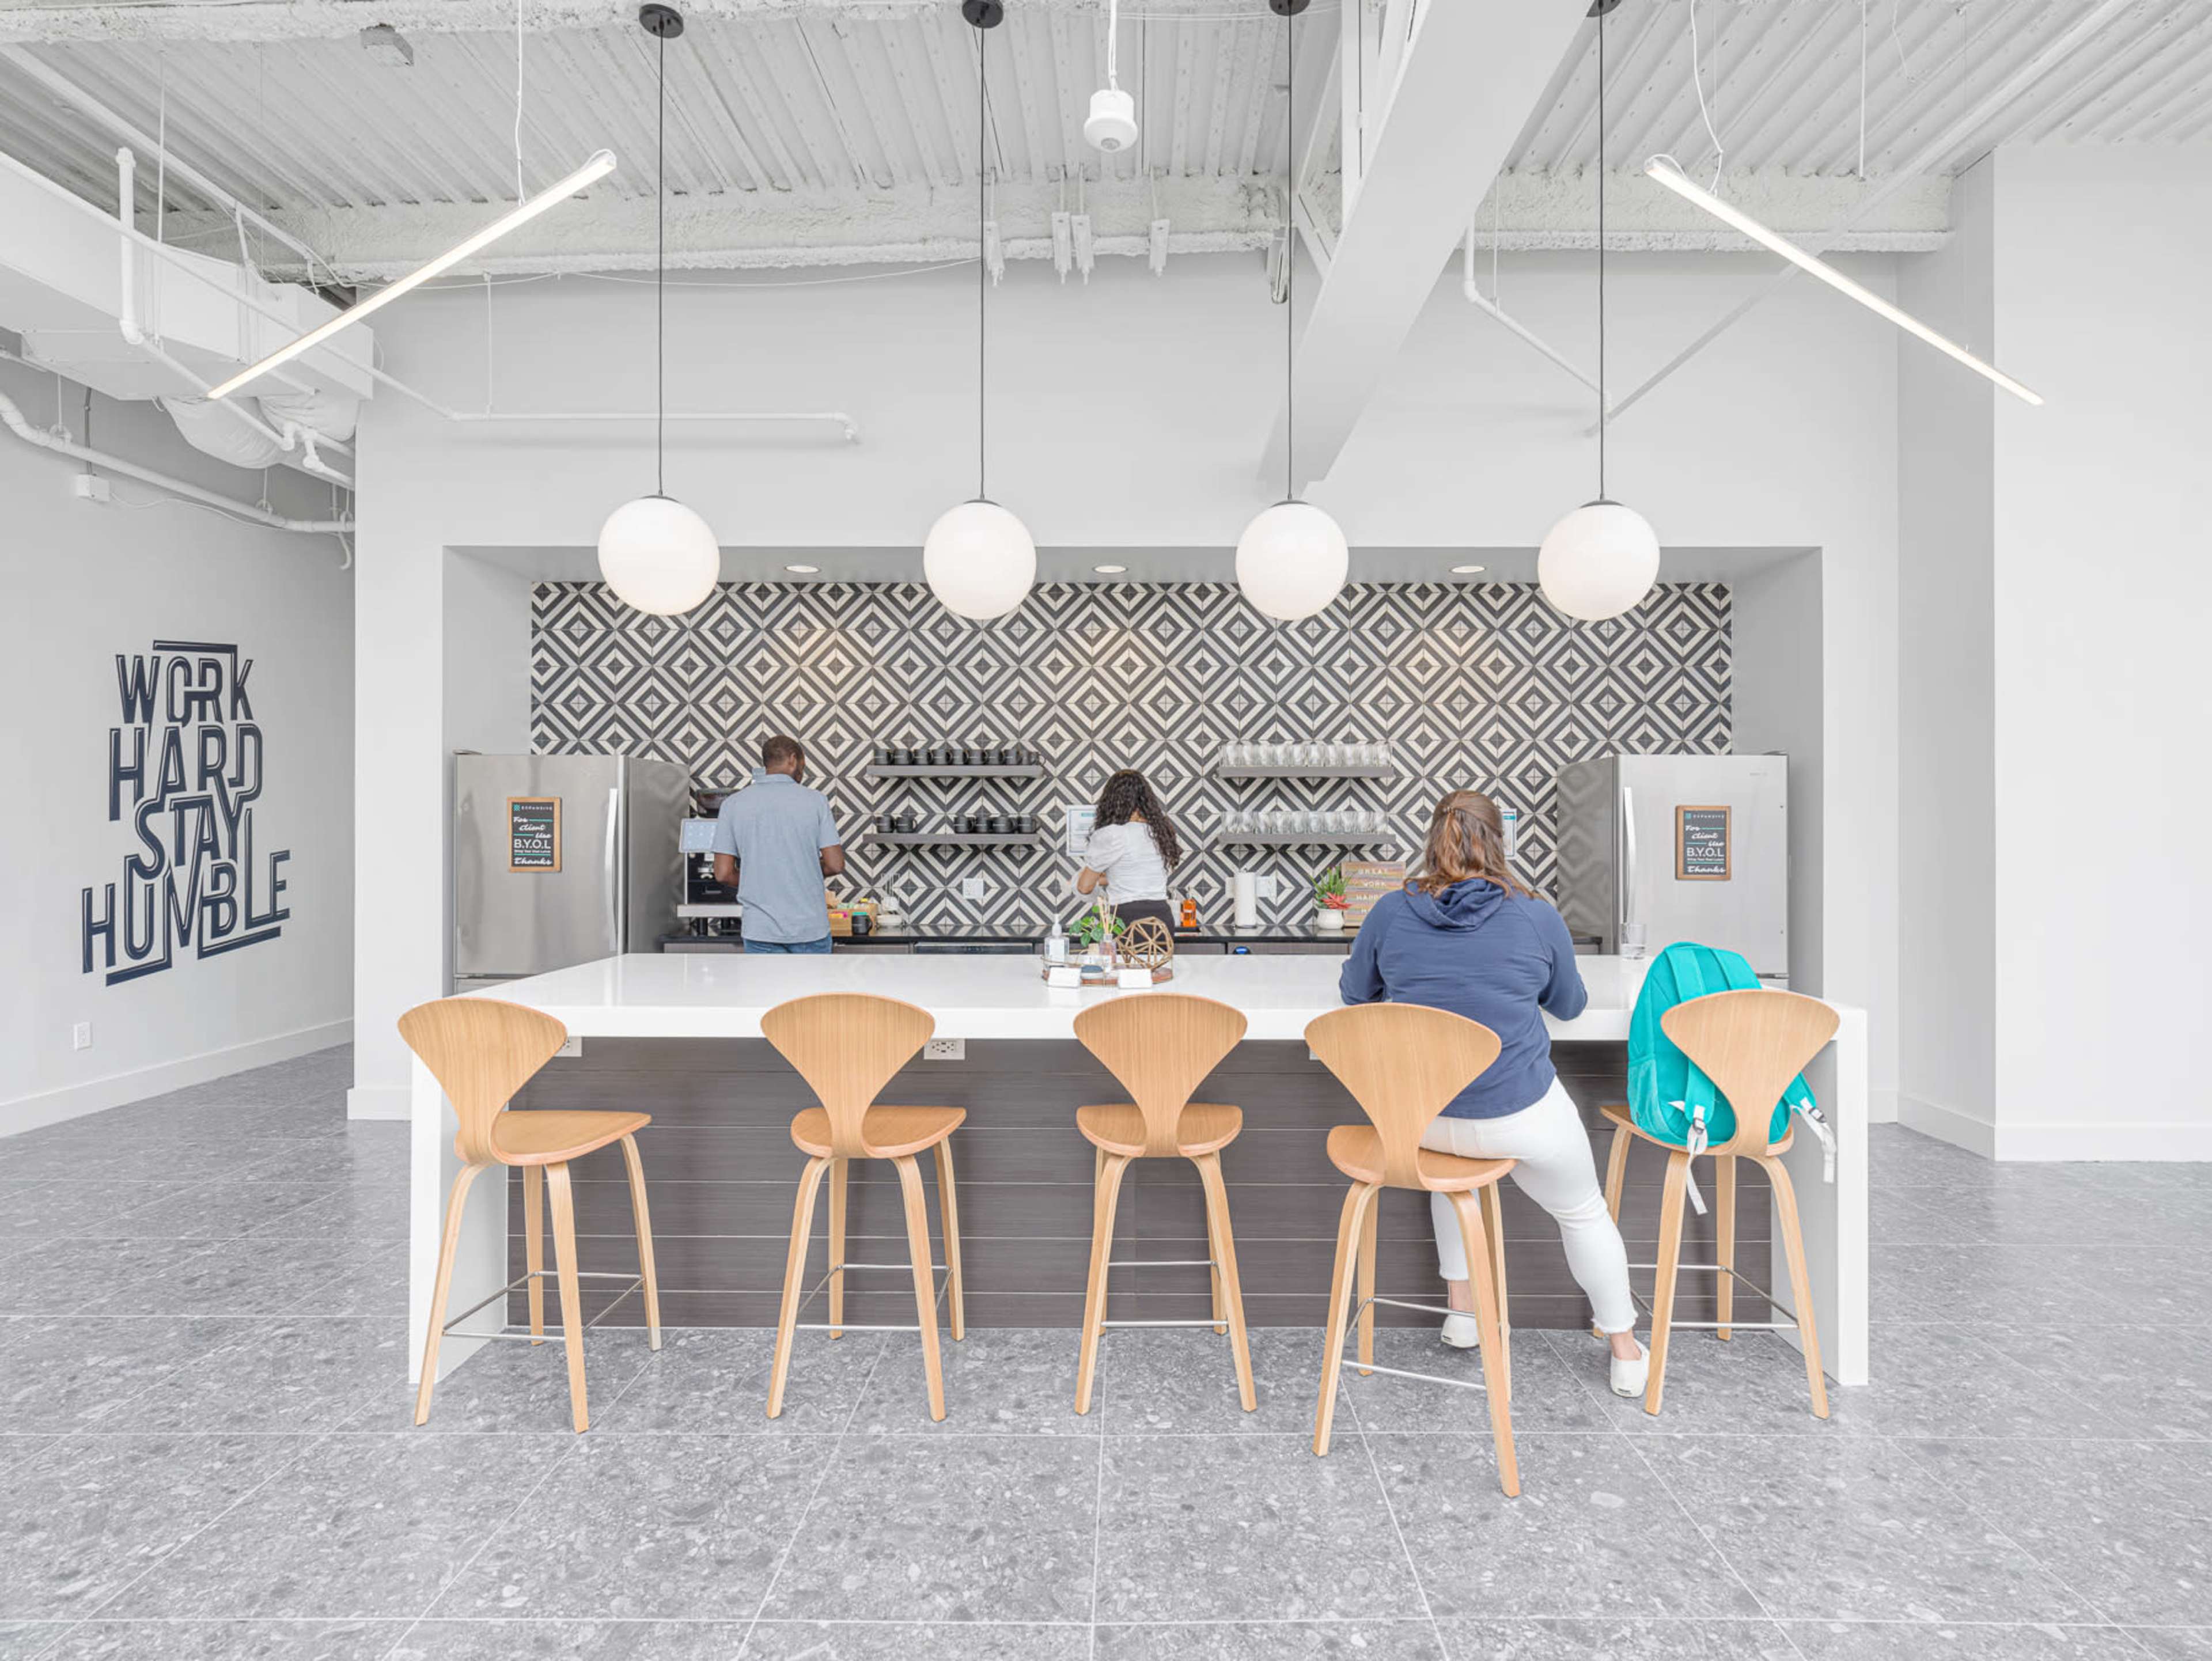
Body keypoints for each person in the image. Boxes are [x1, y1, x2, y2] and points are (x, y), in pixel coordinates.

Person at [1339, 788, 1647, 1397]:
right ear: (1498, 842)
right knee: (1582, 1210)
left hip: (1420, 1122)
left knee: (1450, 1175)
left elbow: (1356, 994)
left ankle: (1462, 1315)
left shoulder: (1391, 911)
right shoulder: (1536, 914)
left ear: (1432, 840)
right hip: (1516, 1114)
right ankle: (1625, 1348)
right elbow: (1571, 1004)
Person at [712, 734, 846, 955]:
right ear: (793, 760)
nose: (803, 772)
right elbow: (835, 864)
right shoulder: (816, 801)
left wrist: (758, 878)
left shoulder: (733, 804)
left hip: (760, 930)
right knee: (811, 991)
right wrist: (804, 870)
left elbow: (723, 873)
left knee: (766, 991)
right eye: (803, 765)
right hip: (809, 929)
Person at [1073, 768, 1182, 941]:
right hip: (1162, 919)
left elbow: (1084, 887)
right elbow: (1137, 876)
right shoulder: (1161, 831)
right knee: (1159, 967)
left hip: (1126, 919)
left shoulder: (1113, 834)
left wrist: (1086, 878)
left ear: (1112, 800)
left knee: (1122, 968)